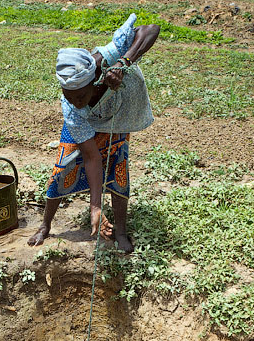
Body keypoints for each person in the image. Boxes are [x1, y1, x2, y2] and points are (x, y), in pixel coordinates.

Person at [28, 14, 160, 254]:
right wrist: (95, 208)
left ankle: (120, 231)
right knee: (62, 167)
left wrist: (123, 63)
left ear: (93, 81)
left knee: (118, 167)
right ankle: (46, 224)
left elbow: (151, 29)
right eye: (70, 96)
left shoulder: (105, 59)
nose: (76, 102)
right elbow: (91, 157)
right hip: (85, 126)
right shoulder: (72, 109)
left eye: (81, 96)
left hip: (116, 118)